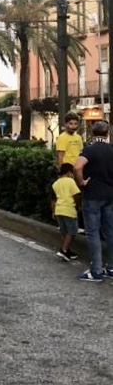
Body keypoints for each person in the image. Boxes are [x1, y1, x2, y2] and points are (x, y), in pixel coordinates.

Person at [73, 120, 113, 282]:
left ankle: (96, 270)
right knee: (110, 231)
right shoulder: (111, 149)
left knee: (93, 232)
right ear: (107, 133)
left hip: (92, 195)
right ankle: (111, 267)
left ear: (92, 133)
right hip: (110, 196)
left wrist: (81, 182)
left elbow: (77, 167)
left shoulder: (89, 149)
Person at [51, 163, 81, 262]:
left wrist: (53, 211)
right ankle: (63, 250)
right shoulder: (71, 181)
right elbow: (76, 195)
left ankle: (68, 251)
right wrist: (78, 206)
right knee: (72, 231)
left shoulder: (55, 183)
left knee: (65, 232)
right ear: (69, 172)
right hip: (69, 209)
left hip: (59, 210)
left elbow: (53, 200)